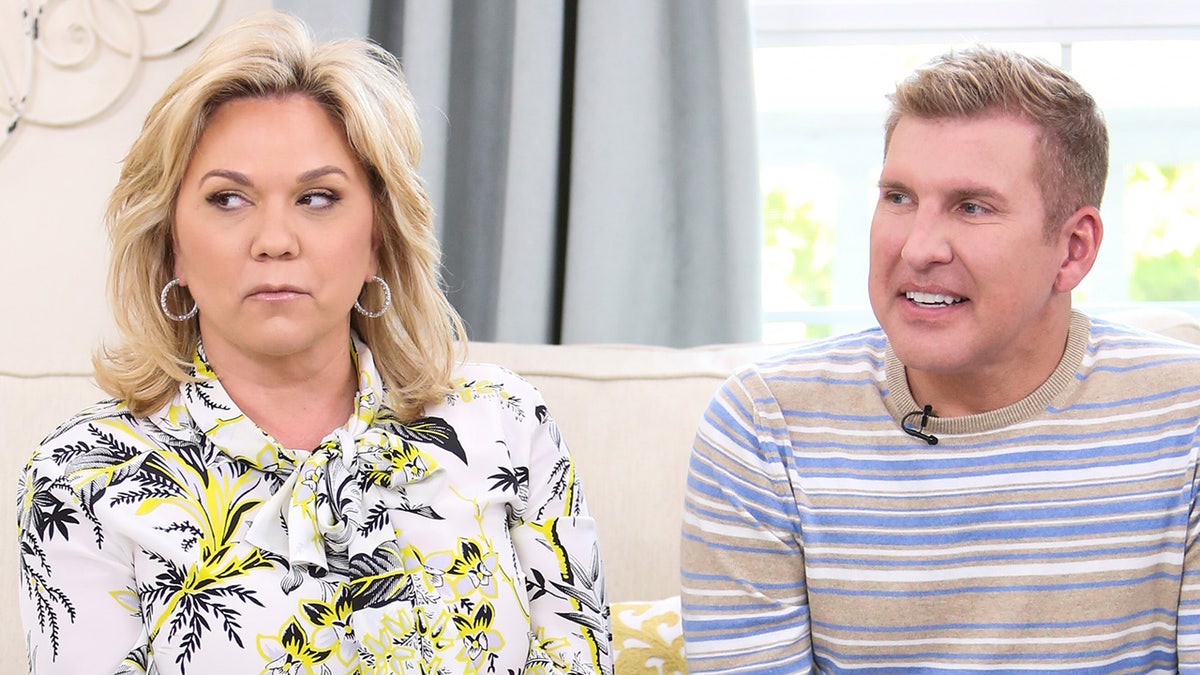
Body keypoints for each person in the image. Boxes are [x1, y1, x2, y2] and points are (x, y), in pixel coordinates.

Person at [17, 11, 611, 675]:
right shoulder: (82, 477)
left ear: (378, 239)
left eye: (319, 197)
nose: (275, 239)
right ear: (172, 247)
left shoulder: (506, 423)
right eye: (228, 200)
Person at [681, 45, 1200, 673]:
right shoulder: (763, 428)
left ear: (1073, 250)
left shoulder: (1186, 421)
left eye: (971, 206)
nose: (917, 247)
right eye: (898, 197)